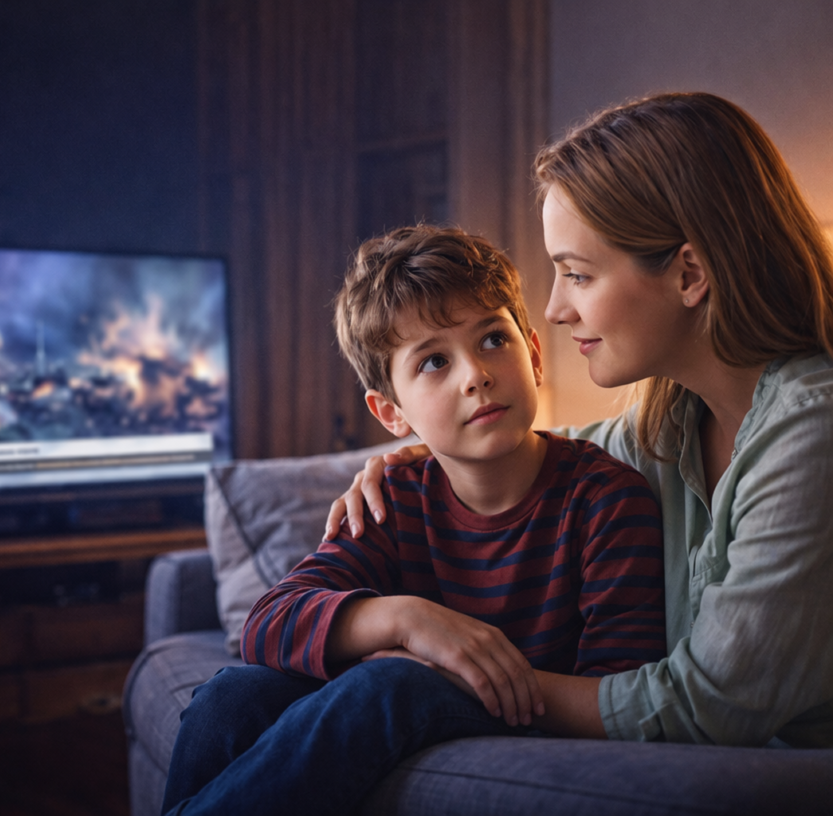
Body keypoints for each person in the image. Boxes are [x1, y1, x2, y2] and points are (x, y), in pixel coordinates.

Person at [328, 91, 833, 748]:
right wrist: (430, 452)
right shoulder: (669, 417)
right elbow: (544, 452)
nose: (555, 308)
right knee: (246, 694)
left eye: (578, 275)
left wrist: (444, 671)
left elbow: (709, 706)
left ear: (689, 274)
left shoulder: (811, 433)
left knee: (377, 698)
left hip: (780, 779)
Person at [160, 225, 667, 815]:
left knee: (389, 685)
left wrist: (447, 670)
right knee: (231, 695)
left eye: (493, 341)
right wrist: (405, 620)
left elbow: (620, 697)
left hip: (520, 719)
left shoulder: (605, 500)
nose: (474, 374)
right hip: (409, 693)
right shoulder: (393, 498)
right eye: (433, 361)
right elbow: (267, 624)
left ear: (532, 353)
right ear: (391, 412)